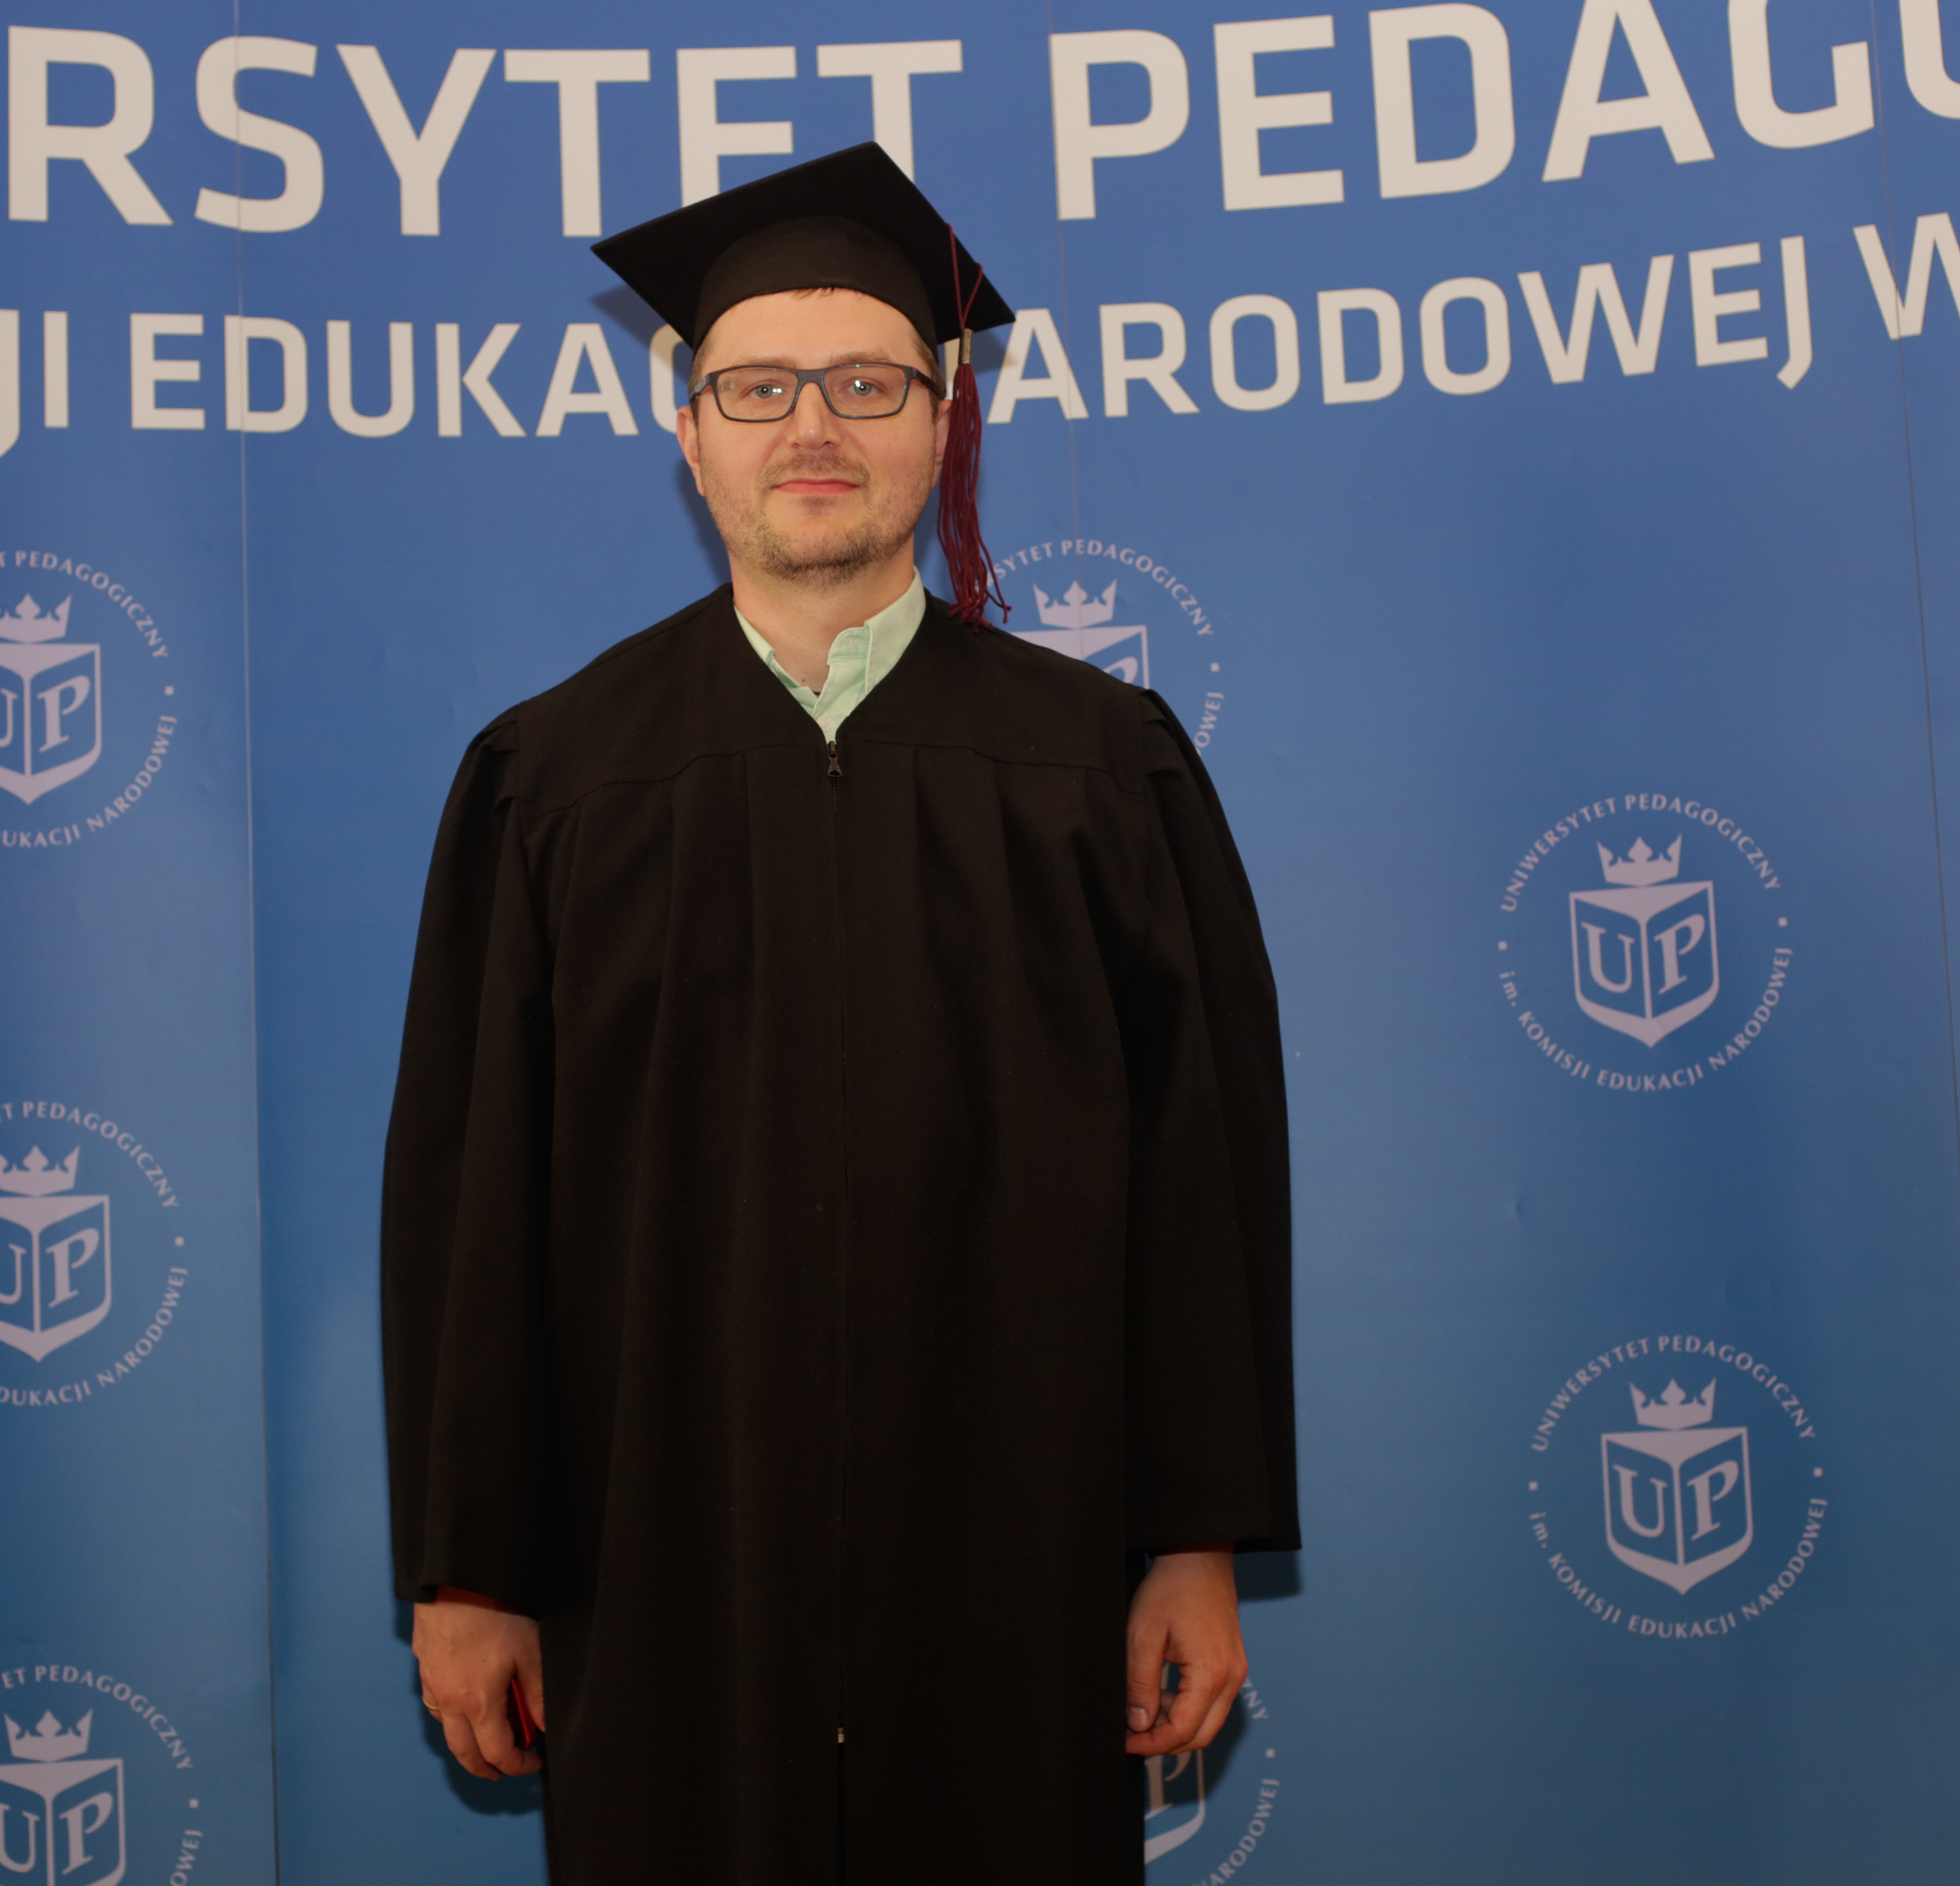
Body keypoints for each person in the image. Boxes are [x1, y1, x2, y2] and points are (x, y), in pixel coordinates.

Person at [379, 143, 1299, 1885]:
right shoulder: (553, 779)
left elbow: (1198, 1174)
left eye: (866, 384)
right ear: (689, 431)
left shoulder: (1095, 769)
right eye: (758, 388)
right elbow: (474, 1197)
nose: (811, 427)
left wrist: (1188, 1540)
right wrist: (468, 1566)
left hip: (1015, 1544)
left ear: (942, 424)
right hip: (659, 1553)